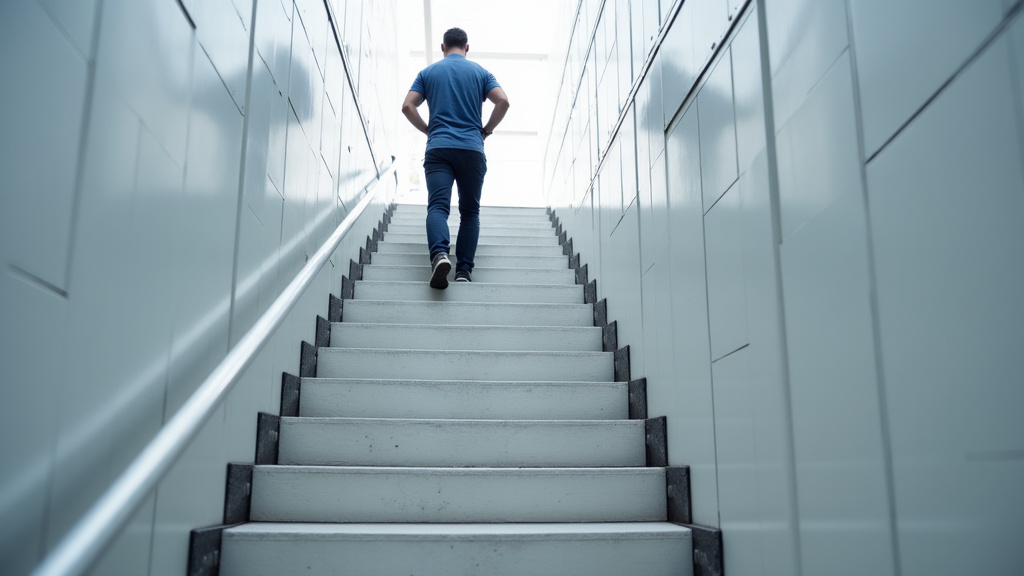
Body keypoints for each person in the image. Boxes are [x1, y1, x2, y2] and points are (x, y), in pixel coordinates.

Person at [401, 27, 510, 289]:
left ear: (443, 47)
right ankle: (463, 271)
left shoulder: (428, 73)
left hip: (438, 148)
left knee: (438, 207)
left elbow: (407, 106)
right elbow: (503, 102)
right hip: (472, 148)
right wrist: (486, 130)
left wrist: (428, 129)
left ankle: (440, 255)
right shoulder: (481, 73)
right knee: (470, 212)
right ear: (467, 47)